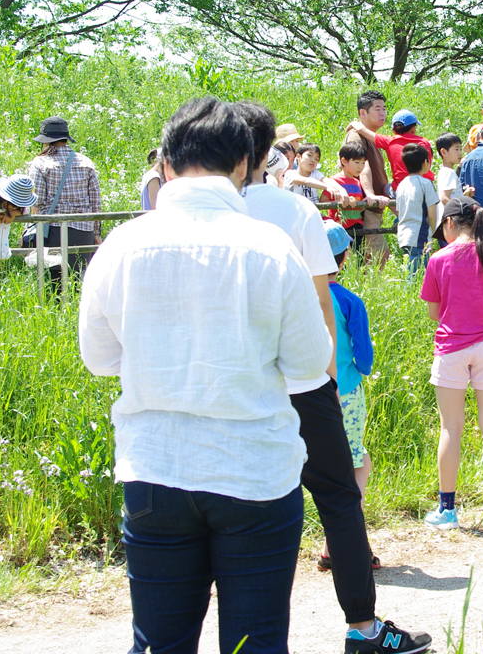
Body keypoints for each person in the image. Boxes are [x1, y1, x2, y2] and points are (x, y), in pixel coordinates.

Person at [78, 97, 332, 654]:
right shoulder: (270, 248)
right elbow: (311, 364)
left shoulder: (120, 245)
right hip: (253, 472)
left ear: (166, 165)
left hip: (155, 469)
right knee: (256, 642)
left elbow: (99, 359)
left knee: (160, 644)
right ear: (245, 164)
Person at [236, 101, 431, 654]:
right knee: (340, 499)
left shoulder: (209, 213)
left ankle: (250, 637)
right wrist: (326, 376)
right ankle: (364, 629)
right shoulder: (293, 210)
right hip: (303, 381)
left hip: (241, 386)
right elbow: (324, 302)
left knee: (248, 511)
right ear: (268, 147)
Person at [419, 196, 483, 533]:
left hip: (451, 349)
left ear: (449, 223)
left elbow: (434, 313)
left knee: (450, 428)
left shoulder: (439, 259)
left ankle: (447, 510)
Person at [326, 221, 375, 541]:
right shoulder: (348, 301)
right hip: (346, 391)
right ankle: (345, 538)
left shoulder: (298, 296)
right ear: (344, 258)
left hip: (307, 393)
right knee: (358, 463)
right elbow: (366, 359)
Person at [26, 116, 102, 282]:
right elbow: (96, 202)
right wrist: (96, 233)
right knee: (79, 279)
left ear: (46, 141)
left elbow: (36, 200)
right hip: (84, 230)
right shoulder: (86, 162)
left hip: (53, 230)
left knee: (55, 281)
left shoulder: (40, 163)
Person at [344, 92, 394, 264]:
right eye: (377, 109)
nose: (382, 113)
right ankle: (371, 289)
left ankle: (369, 287)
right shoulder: (356, 136)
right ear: (362, 113)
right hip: (365, 207)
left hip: (375, 206)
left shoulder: (373, 138)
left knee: (373, 256)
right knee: (378, 254)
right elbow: (361, 167)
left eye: (384, 109)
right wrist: (370, 195)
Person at [347, 110, 434, 192]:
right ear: (413, 129)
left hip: (401, 188)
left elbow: (362, 130)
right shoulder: (424, 142)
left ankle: (399, 208)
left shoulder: (389, 141)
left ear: (393, 130)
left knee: (386, 189)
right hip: (426, 186)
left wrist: (354, 123)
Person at [394, 144, 439, 275]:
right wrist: (433, 234)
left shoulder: (402, 184)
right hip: (420, 234)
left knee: (411, 269)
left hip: (403, 235)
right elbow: (432, 215)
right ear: (425, 162)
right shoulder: (426, 183)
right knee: (417, 275)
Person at [329, 142, 369, 245]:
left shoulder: (358, 182)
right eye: (357, 162)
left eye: (363, 163)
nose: (360, 166)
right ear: (344, 161)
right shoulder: (334, 181)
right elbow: (323, 201)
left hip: (357, 226)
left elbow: (359, 206)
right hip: (340, 227)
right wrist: (340, 201)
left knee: (360, 258)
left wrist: (363, 204)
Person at [434, 132, 464, 213]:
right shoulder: (449, 172)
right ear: (444, 152)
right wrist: (460, 211)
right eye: (456, 149)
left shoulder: (443, 171)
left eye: (460, 149)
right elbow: (444, 198)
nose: (460, 153)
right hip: (452, 218)